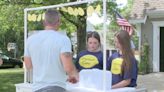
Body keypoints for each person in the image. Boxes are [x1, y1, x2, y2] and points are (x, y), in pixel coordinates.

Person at [24, 9, 79, 92]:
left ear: (44, 22)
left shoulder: (30, 40)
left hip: (37, 88)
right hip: (56, 87)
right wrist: (74, 75)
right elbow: (68, 67)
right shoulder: (63, 39)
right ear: (59, 22)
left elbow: (28, 66)